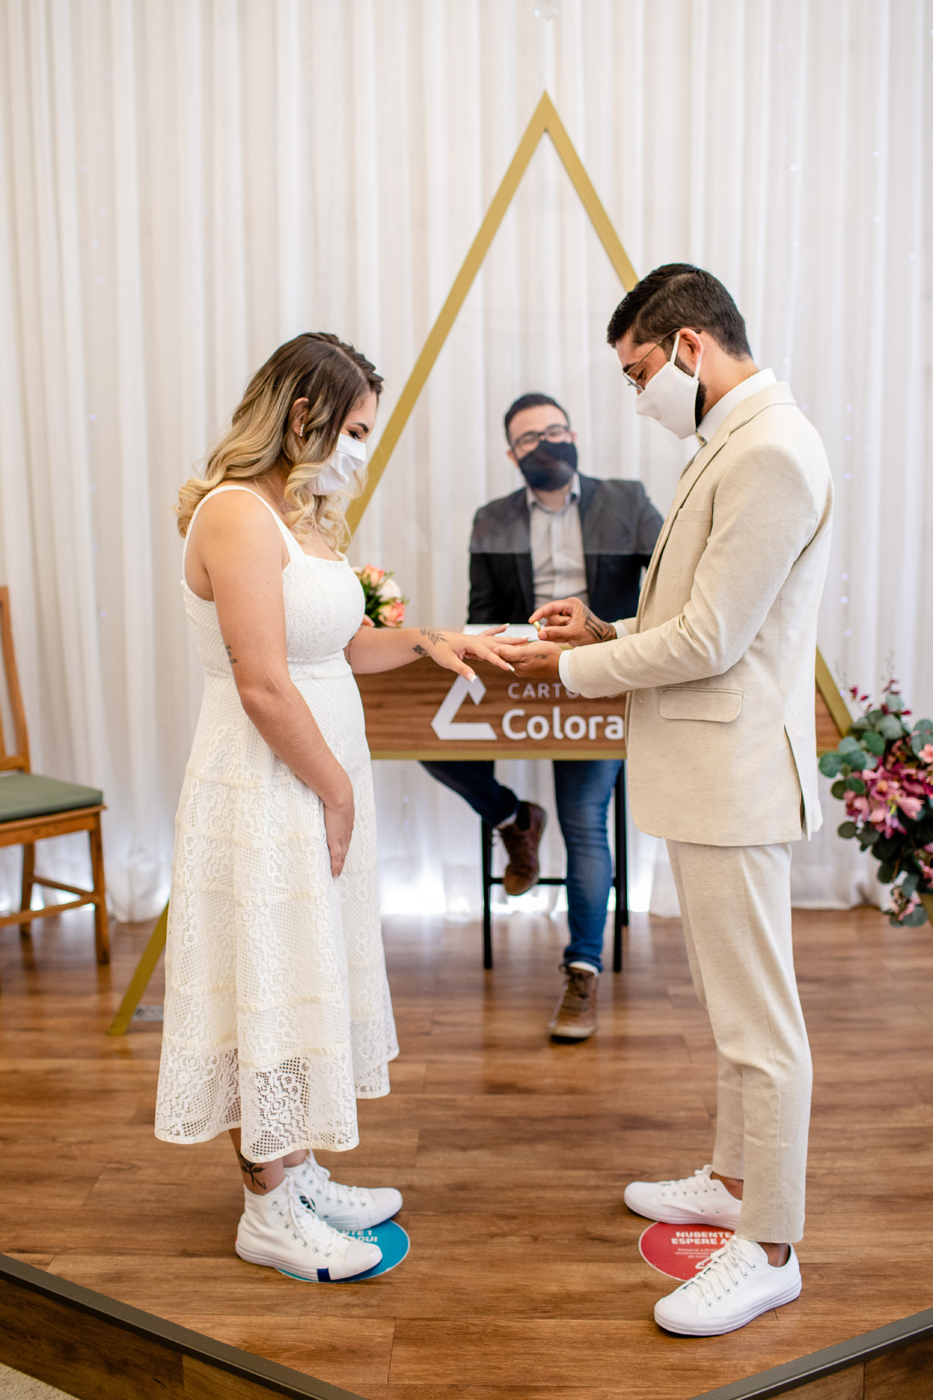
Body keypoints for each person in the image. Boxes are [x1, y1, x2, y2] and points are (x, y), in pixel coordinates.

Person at [496, 266, 832, 1335]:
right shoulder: (729, 444)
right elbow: (693, 613)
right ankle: (732, 1181)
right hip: (706, 768)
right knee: (732, 1010)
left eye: (639, 371)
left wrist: (570, 669)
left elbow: (712, 641)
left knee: (759, 1023)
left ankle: (769, 1245)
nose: (637, 396)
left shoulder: (770, 450)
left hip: (736, 772)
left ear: (689, 347)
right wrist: (606, 630)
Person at [155, 333, 513, 1282]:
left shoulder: (299, 516)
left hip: (310, 770)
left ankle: (298, 1169)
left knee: (304, 967)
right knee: (265, 979)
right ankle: (266, 1209)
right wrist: (339, 788)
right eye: (354, 428)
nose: (361, 447)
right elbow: (264, 684)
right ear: (302, 415)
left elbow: (344, 646)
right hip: (268, 778)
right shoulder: (235, 516)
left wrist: (429, 639)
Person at [421, 393, 661, 1038]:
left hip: (602, 677)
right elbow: (480, 613)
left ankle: (582, 970)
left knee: (584, 820)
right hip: (521, 675)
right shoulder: (492, 519)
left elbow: (673, 588)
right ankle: (512, 817)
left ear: (573, 436)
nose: (547, 443)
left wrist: (614, 638)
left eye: (556, 431)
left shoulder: (626, 500)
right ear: (513, 455)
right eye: (531, 438)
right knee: (425, 738)